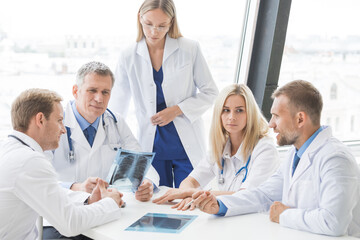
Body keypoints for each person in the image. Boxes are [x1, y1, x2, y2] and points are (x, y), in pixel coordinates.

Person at [192, 80, 360, 237]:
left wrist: (284, 214)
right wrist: (220, 205)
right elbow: (263, 195)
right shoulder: (294, 155)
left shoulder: (336, 159)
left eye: (276, 116)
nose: (271, 124)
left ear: (300, 118)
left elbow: (333, 222)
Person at [109, 0, 219, 188]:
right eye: (149, 24)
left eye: (162, 26)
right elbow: (117, 105)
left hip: (185, 143)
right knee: (155, 201)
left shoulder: (189, 48)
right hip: (151, 145)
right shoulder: (129, 55)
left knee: (190, 200)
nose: (154, 32)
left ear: (171, 22)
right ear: (139, 19)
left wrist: (176, 110)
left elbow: (211, 92)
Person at [0, 89, 124, 240]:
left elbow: (46, 191)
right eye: (59, 120)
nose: (64, 130)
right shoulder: (29, 161)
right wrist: (110, 202)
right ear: (40, 120)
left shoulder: (10, 149)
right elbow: (70, 224)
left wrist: (88, 200)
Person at [152, 84, 279, 210]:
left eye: (239, 110)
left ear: (250, 114)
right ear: (219, 114)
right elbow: (189, 181)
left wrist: (190, 193)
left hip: (255, 219)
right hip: (228, 217)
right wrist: (188, 195)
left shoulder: (265, 149)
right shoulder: (220, 147)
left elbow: (246, 196)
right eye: (226, 110)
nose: (232, 117)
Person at [51, 61, 159, 203]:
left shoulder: (115, 122)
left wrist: (146, 184)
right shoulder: (54, 123)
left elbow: (141, 163)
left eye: (105, 92)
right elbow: (38, 180)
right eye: (92, 90)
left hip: (105, 210)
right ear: (76, 91)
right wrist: (77, 187)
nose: (99, 99)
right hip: (65, 210)